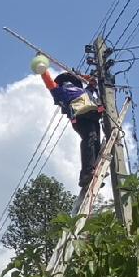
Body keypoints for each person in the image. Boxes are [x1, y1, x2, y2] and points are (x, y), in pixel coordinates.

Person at [32, 56, 105, 189]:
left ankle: (94, 169)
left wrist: (84, 76)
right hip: (80, 117)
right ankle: (86, 173)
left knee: (95, 142)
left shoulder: (84, 91)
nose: (69, 83)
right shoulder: (59, 90)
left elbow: (92, 83)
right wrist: (42, 67)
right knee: (90, 138)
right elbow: (48, 81)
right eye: (67, 81)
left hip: (93, 116)